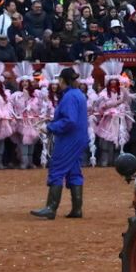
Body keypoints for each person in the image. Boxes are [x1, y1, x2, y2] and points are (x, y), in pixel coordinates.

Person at [34, 66, 88, 220]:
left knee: (57, 168)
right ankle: (77, 209)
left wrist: (51, 127)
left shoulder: (69, 97)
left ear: (63, 80)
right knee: (74, 171)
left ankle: (51, 208)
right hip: (79, 137)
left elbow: (69, 121)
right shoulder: (79, 94)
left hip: (69, 138)